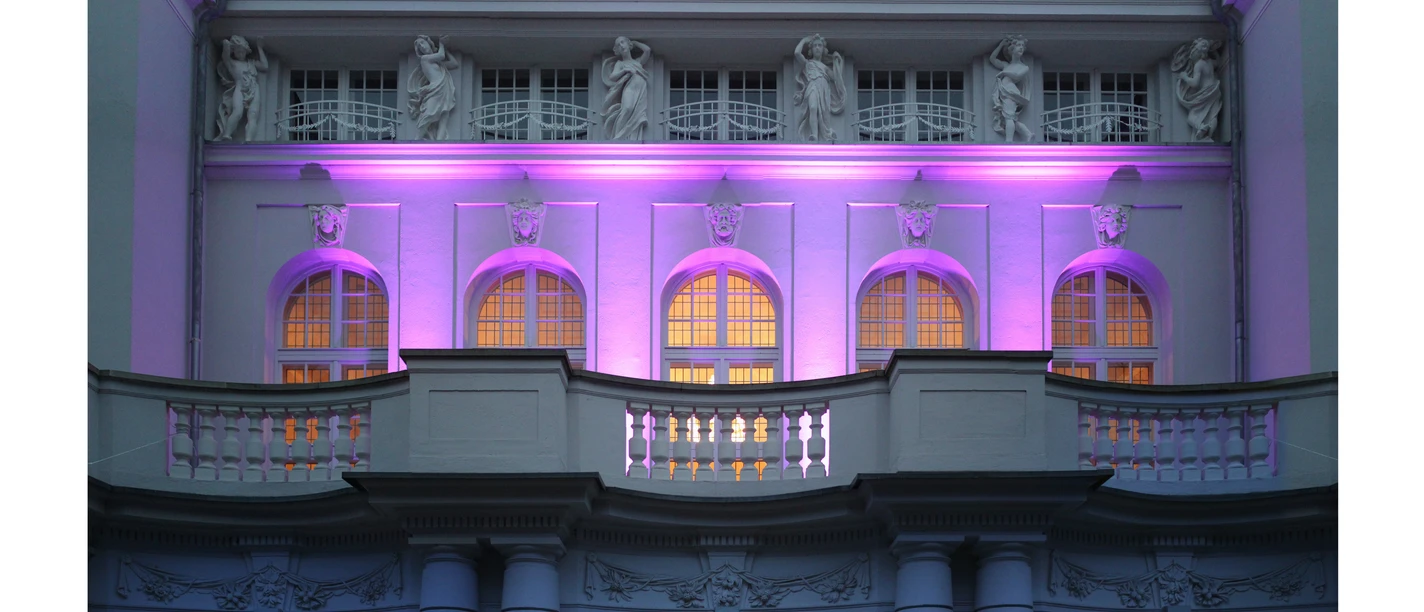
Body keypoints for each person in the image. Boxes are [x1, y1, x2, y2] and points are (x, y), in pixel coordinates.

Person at [215, 35, 269, 142]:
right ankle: (226, 135)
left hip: (254, 88)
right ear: (233, 52)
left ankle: (249, 140)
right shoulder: (232, 63)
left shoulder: (251, 63)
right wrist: (226, 45)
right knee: (237, 112)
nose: (240, 54)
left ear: (246, 51)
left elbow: (265, 66)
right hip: (240, 87)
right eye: (237, 51)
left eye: (242, 51)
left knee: (253, 115)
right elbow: (225, 57)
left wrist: (260, 48)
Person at [793, 34, 846, 142]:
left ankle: (827, 134)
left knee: (824, 113)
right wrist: (804, 40)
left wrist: (839, 62)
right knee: (813, 107)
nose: (817, 48)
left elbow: (836, 78)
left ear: (823, 49)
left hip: (824, 89)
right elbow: (797, 53)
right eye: (815, 46)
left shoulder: (825, 67)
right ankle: (814, 135)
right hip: (812, 86)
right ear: (811, 49)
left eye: (820, 46)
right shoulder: (808, 63)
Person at [408, 35, 461, 141]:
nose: (421, 46)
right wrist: (441, 44)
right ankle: (417, 139)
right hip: (434, 89)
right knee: (428, 115)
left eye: (422, 43)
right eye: (419, 46)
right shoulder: (425, 59)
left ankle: (440, 141)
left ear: (429, 43)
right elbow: (441, 55)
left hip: (444, 88)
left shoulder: (439, 64)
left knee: (444, 115)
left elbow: (455, 64)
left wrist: (446, 50)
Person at [602, 37, 652, 141]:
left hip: (641, 91)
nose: (621, 46)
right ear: (617, 50)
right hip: (630, 89)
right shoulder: (620, 64)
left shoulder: (638, 62)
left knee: (638, 114)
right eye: (618, 45)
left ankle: (632, 137)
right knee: (627, 109)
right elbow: (612, 76)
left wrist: (635, 43)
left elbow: (647, 50)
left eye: (622, 42)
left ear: (628, 45)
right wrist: (624, 70)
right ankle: (617, 136)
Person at [1172, 38, 1223, 142]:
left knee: (1191, 117)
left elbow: (1195, 83)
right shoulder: (1210, 62)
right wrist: (1214, 52)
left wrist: (1184, 77)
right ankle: (1209, 135)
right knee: (1213, 115)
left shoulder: (1199, 65)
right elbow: (1218, 62)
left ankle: (1201, 127)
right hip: (1215, 90)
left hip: (1206, 93)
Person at [989, 36, 1033, 143]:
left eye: (1023, 46)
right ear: (1012, 49)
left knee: (1009, 117)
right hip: (1004, 92)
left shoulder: (1024, 67)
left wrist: (1004, 73)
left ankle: (1009, 141)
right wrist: (1001, 45)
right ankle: (1027, 133)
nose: (1021, 48)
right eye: (1018, 45)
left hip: (1011, 93)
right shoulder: (1006, 65)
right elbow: (992, 59)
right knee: (1009, 118)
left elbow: (1016, 76)